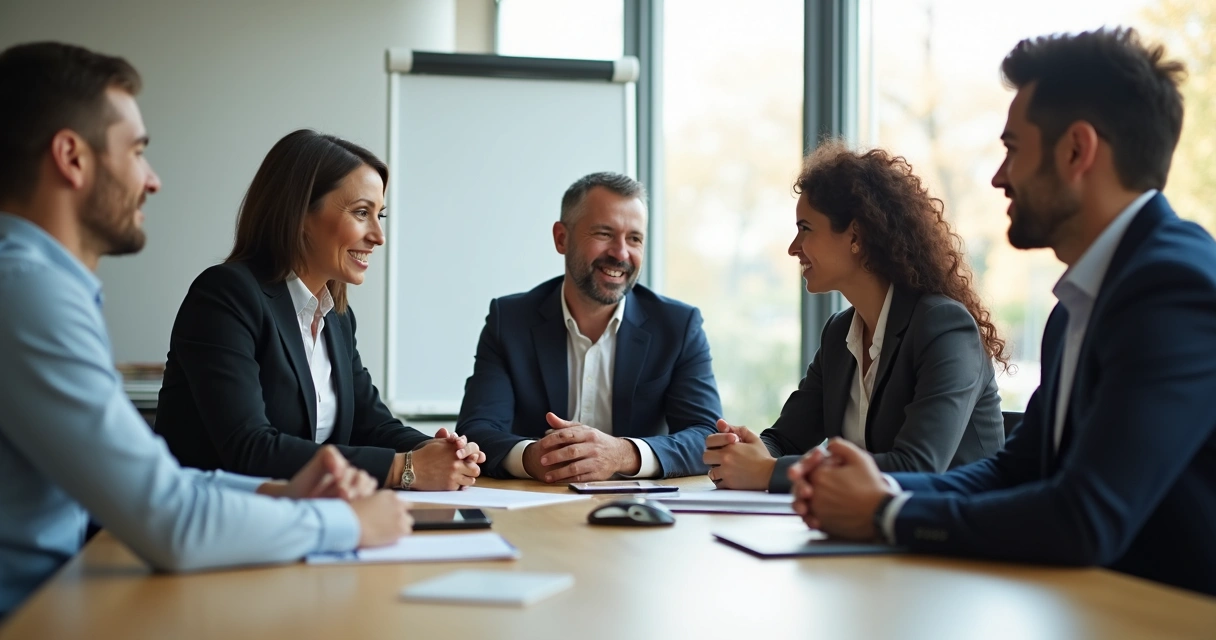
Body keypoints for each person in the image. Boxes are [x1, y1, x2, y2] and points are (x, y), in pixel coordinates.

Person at [789, 28, 1216, 597]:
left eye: (1013, 148)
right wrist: (885, 495)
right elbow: (1019, 468)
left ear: (1076, 151)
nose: (999, 175)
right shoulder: (1077, 307)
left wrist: (886, 516)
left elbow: (1084, 516)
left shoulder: (1174, 287)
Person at [0, 42, 413, 618]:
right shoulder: (29, 292)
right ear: (72, 157)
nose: (152, 180)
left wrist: (280, 494)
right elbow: (168, 515)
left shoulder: (42, 286)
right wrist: (341, 520)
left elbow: (166, 483)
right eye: (138, 152)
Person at [154, 130, 484, 491]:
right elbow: (249, 448)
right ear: (300, 214)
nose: (378, 236)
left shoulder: (336, 317)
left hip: (301, 518)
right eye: (361, 213)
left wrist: (435, 450)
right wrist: (404, 468)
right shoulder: (225, 296)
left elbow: (369, 423)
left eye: (380, 216)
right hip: (210, 524)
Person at [703, 142, 1006, 493]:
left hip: (951, 537)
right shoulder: (839, 333)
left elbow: (919, 467)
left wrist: (769, 472)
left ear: (856, 236)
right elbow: (786, 439)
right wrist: (744, 453)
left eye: (805, 228)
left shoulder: (944, 327)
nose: (793, 247)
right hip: (872, 534)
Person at [455, 172, 722, 482]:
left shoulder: (678, 326)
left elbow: (706, 436)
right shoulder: (509, 320)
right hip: (538, 507)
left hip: (640, 512)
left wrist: (623, 454)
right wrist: (532, 457)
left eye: (634, 238)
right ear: (561, 238)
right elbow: (476, 430)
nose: (621, 253)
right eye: (604, 233)